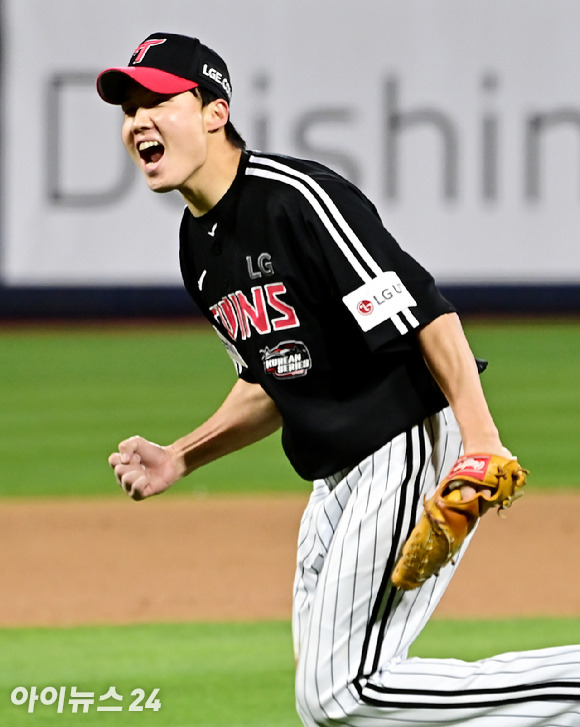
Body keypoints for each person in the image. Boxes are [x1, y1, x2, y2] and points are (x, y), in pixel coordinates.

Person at [99, 32, 580, 726]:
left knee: (340, 691)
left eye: (157, 101)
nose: (137, 120)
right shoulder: (196, 247)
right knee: (339, 702)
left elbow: (425, 312)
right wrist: (182, 453)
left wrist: (484, 441)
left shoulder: (297, 199)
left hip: (401, 440)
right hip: (335, 478)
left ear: (213, 111)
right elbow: (268, 382)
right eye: (127, 108)